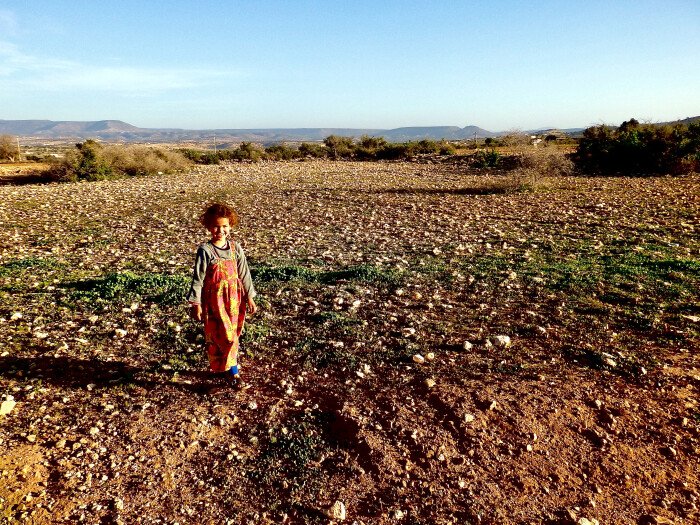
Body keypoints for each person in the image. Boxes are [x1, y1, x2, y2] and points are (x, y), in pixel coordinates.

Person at [187, 202, 257, 391]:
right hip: (214, 301)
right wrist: (196, 303)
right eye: (216, 226)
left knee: (232, 335)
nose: (221, 230)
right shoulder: (205, 250)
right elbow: (198, 278)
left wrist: (249, 296)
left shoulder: (236, 248)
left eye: (225, 226)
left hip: (235, 300)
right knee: (221, 336)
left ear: (231, 226)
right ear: (209, 227)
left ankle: (230, 369)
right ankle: (232, 371)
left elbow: (244, 273)